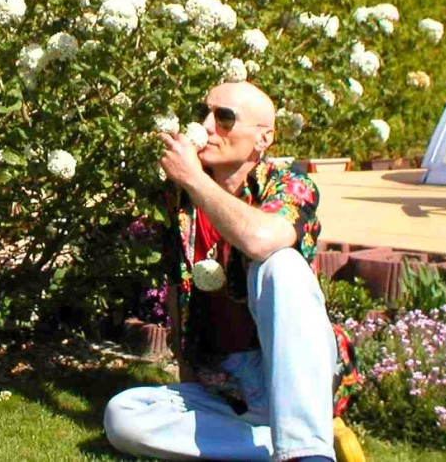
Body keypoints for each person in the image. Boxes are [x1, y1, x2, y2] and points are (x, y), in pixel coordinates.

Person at [104, 81, 361, 461]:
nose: (207, 126)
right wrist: (186, 373)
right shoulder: (180, 202)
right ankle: (284, 445)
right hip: (226, 383)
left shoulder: (288, 182)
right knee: (122, 416)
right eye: (203, 113)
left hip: (290, 370)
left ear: (264, 138)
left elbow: (259, 239)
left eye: (224, 118)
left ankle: (309, 453)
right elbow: (179, 287)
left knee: (281, 264)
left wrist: (193, 178)